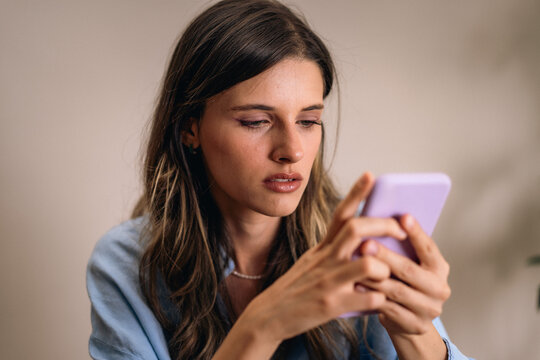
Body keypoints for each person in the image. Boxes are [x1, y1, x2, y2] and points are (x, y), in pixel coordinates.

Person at [86, 1, 474, 359]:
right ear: (190, 128)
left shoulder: (357, 247)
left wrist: (414, 331)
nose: (292, 150)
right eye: (256, 121)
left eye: (308, 121)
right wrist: (264, 325)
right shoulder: (126, 264)